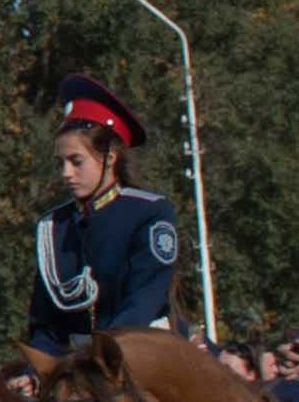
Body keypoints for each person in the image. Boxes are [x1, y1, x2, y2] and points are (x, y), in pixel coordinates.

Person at [27, 74, 184, 348]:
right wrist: (37, 370)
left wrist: (103, 351)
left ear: (110, 159)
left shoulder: (149, 213)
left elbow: (143, 299)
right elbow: (44, 321)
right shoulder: (53, 226)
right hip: (76, 362)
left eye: (76, 162)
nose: (66, 173)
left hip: (142, 351)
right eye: (60, 163)